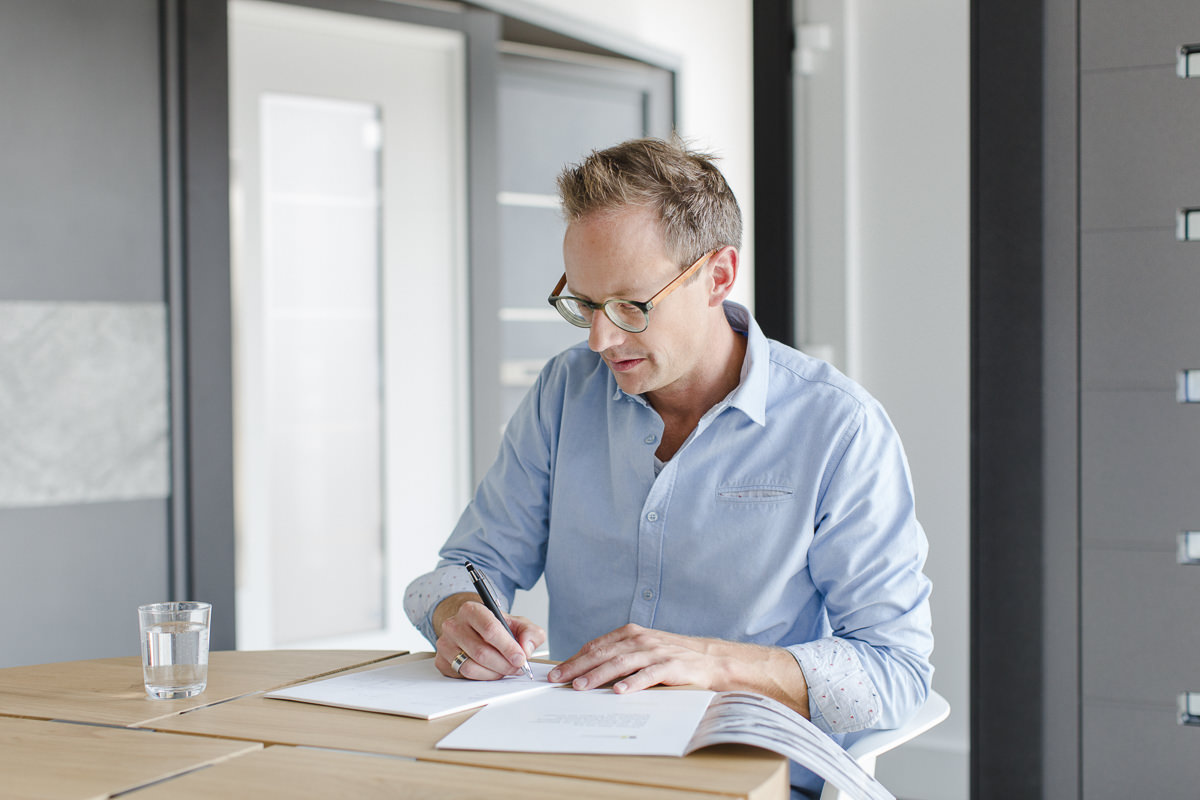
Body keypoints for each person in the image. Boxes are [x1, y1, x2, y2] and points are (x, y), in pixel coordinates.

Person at [404, 136, 933, 798]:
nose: (600, 339)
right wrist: (458, 611)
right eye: (585, 304)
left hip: (748, 782)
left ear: (718, 275)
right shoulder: (566, 394)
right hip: (570, 770)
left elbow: (896, 673)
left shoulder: (839, 428)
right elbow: (461, 569)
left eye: (631, 305)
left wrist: (713, 662)